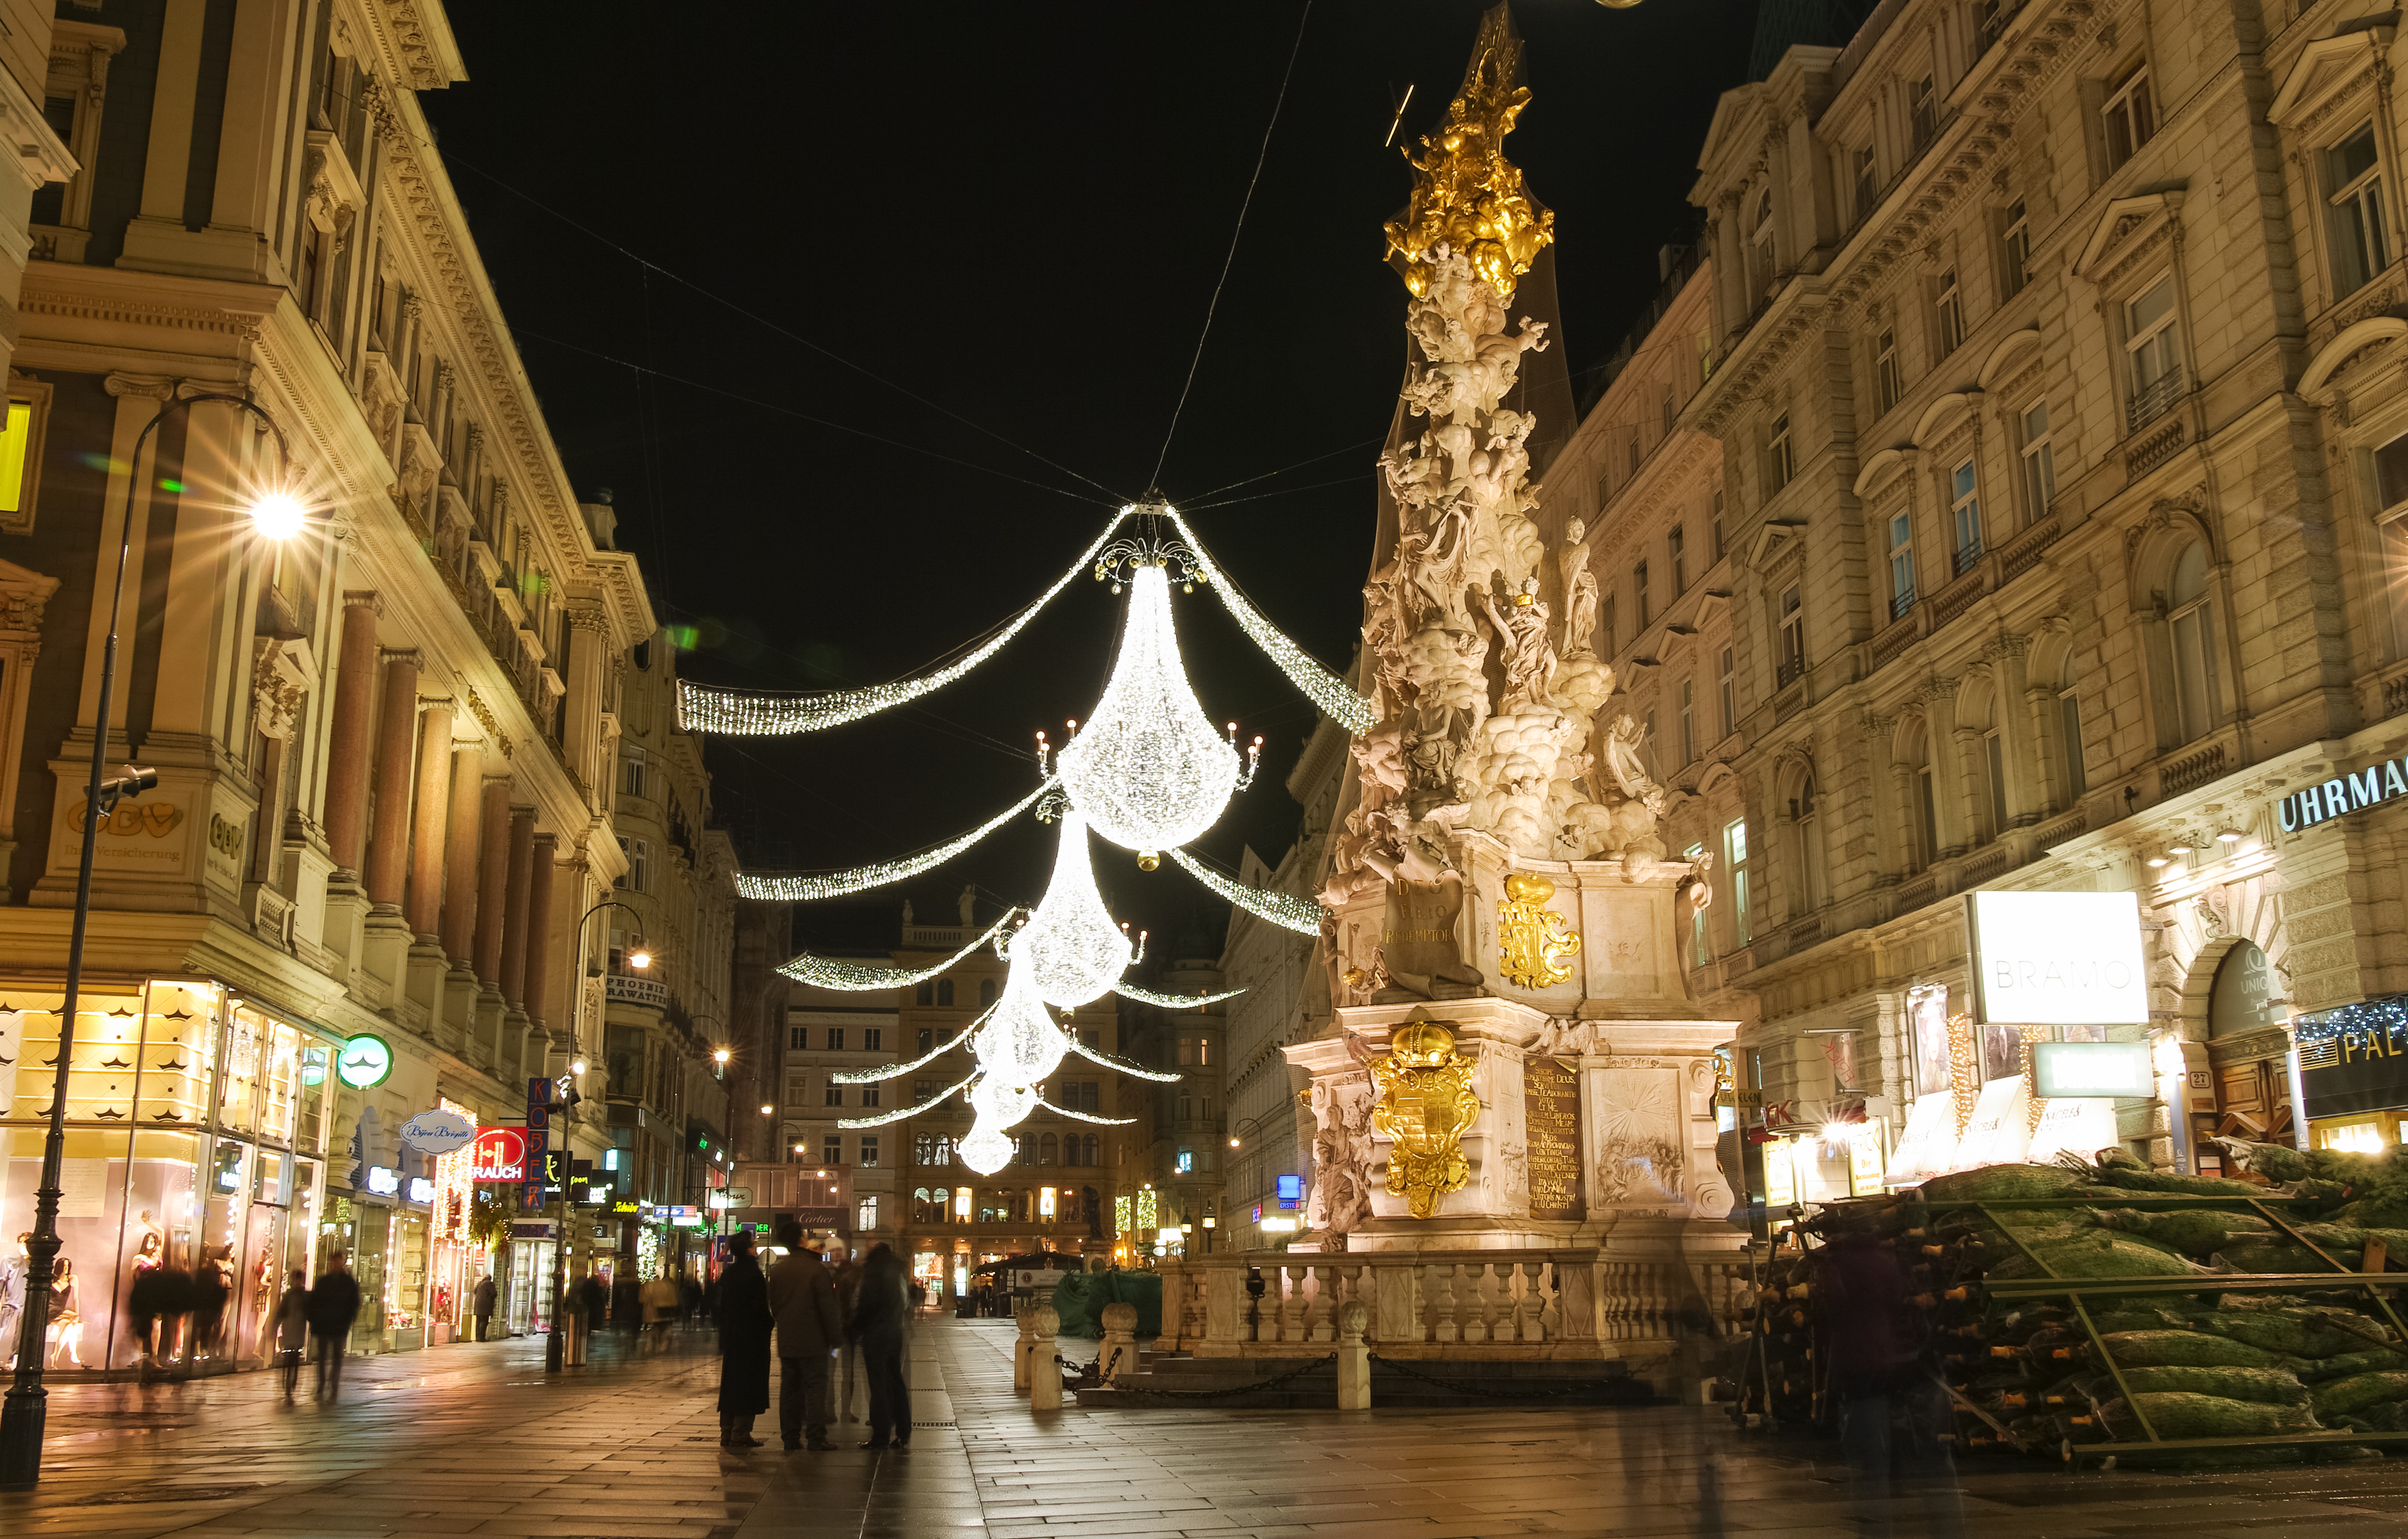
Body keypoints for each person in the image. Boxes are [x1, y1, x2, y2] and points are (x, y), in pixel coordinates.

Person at [1817, 1231, 1963, 1539]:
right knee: (1936, 1465)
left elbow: (1833, 1315)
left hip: (1865, 1374)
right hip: (1917, 1368)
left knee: (1871, 1470)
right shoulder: (1897, 1260)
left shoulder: (1836, 1267)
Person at [766, 1225, 843, 1452]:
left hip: (788, 1341)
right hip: (814, 1341)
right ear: (802, 1240)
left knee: (790, 1390)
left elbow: (774, 1305)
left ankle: (790, 1437)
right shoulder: (817, 1270)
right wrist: (836, 1338)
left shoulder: (778, 1271)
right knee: (815, 1389)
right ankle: (816, 1437)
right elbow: (827, 1308)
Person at [849, 1242, 910, 1451]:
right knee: (896, 1381)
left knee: (878, 1385)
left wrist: (856, 1327)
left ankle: (881, 1435)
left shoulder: (873, 1272)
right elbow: (905, 1301)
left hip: (876, 1335)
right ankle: (903, 1433)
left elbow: (864, 1303)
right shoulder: (898, 1273)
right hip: (895, 1334)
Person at [716, 1233, 773, 1449]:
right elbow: (760, 1308)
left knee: (731, 1384)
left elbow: (722, 1307)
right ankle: (741, 1433)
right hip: (752, 1338)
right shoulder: (754, 1274)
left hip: (733, 1337)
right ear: (749, 1249)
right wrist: (769, 1324)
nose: (756, 1248)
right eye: (754, 1245)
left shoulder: (729, 1273)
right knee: (749, 1384)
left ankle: (726, 1431)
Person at [306, 1250, 361, 1402]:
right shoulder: (325, 1281)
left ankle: (333, 1387)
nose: (336, 1265)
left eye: (338, 1262)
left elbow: (354, 1303)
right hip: (324, 1325)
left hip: (338, 1326)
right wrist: (314, 1319)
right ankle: (322, 1386)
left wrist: (348, 1320)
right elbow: (314, 1302)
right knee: (323, 1358)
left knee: (336, 1357)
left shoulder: (347, 1283)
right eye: (334, 1262)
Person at [830, 1246, 862, 1423]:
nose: (837, 1253)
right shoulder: (830, 1273)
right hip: (840, 1334)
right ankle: (836, 1411)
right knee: (838, 1372)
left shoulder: (847, 1274)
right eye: (833, 1250)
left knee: (844, 1371)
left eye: (839, 1250)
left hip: (842, 1333)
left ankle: (842, 1411)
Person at [271, 1267, 310, 1401]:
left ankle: (290, 1380)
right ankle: (290, 1381)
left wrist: (276, 1324)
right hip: (293, 1330)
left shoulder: (296, 1295)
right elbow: (282, 1312)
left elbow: (282, 1312)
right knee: (291, 1358)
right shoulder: (298, 1295)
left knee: (293, 1358)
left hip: (296, 1331)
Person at [641, 1268, 680, 1352]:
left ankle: (657, 1343)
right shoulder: (669, 1287)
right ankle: (662, 1343)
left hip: (659, 1309)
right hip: (666, 1309)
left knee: (658, 1327)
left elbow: (646, 1299)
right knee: (664, 1327)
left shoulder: (654, 1286)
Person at [472, 1274, 498, 1342]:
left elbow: (475, 1292)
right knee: (484, 1321)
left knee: (478, 1322)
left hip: (478, 1305)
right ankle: (482, 1338)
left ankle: (478, 1337)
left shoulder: (480, 1284)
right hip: (486, 1305)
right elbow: (494, 1294)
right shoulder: (489, 1284)